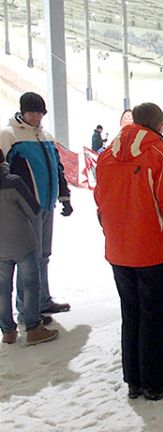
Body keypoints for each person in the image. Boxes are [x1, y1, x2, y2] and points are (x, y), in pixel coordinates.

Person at [95, 102, 163, 401]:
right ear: (159, 125)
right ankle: (155, 381)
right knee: (154, 318)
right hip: (152, 250)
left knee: (131, 315)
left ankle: (133, 379)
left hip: (118, 250)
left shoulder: (107, 155)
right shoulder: (160, 152)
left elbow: (100, 201)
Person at [0, 92, 71, 318]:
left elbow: (57, 168)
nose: (36, 117)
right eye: (32, 113)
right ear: (23, 111)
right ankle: (27, 310)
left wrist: (64, 195)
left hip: (47, 204)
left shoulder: (46, 136)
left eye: (40, 113)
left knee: (44, 254)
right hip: (24, 209)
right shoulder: (9, 135)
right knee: (28, 257)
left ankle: (42, 300)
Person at [0, 149, 58, 345]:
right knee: (30, 285)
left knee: (2, 289)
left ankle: (7, 331)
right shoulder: (13, 182)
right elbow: (34, 209)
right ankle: (33, 328)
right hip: (23, 242)